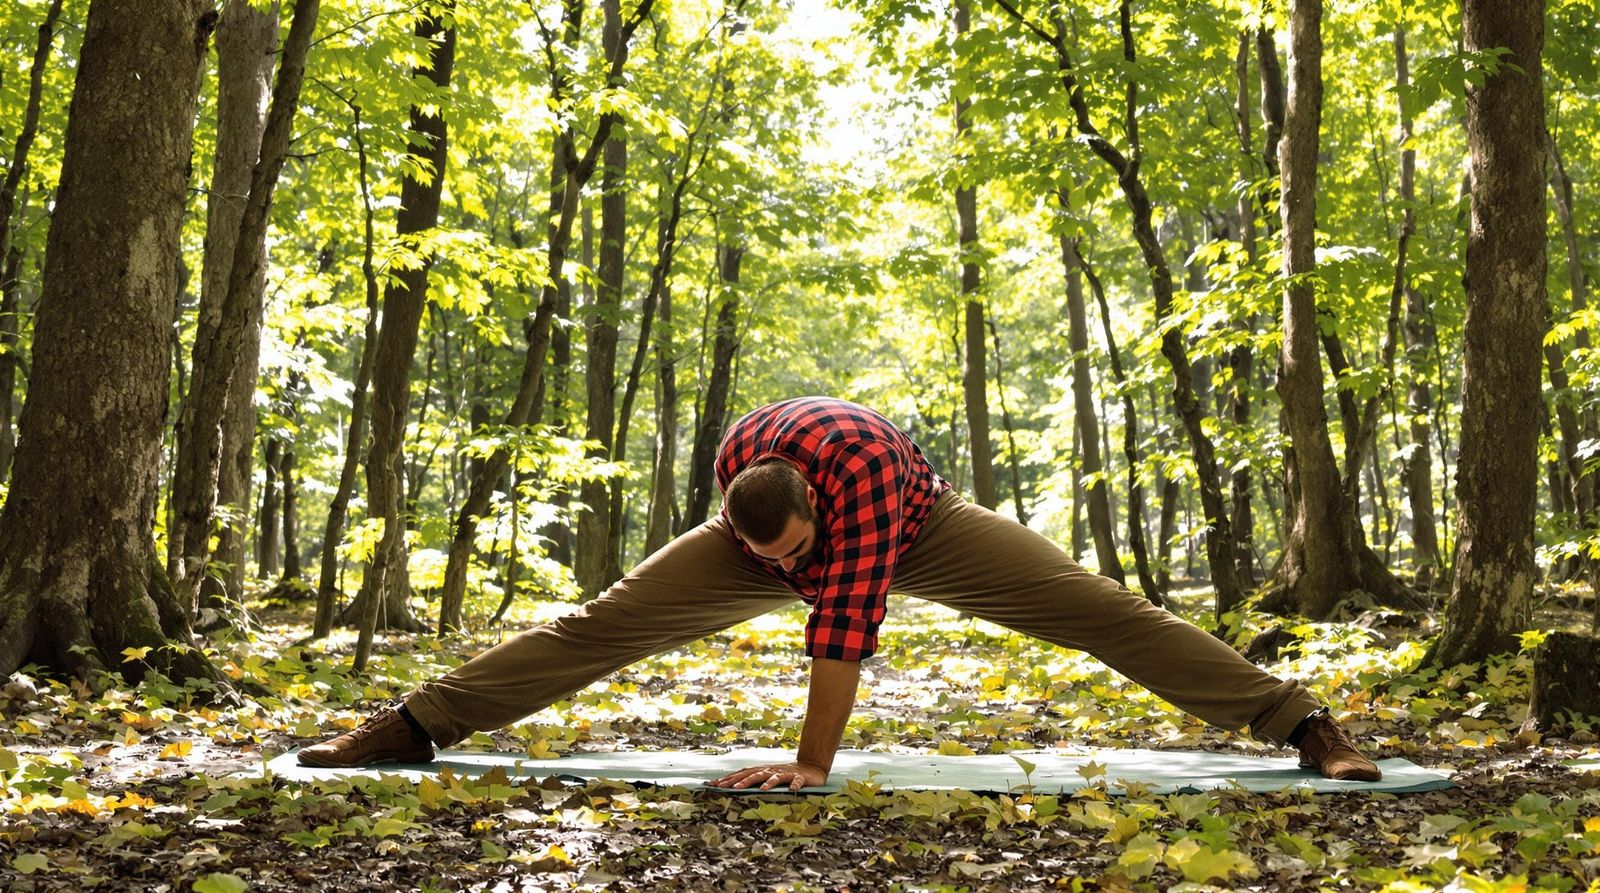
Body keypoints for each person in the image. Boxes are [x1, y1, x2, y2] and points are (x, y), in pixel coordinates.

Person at [299, 396, 1381, 787]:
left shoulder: (852, 490)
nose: (781, 575)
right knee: (605, 620)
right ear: (737, 507)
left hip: (924, 528)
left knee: (1104, 610)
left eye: (791, 554)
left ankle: (1302, 721)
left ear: (815, 507)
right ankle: (410, 724)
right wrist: (758, 552)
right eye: (764, 559)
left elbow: (840, 627)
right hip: (783, 515)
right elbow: (772, 554)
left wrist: (811, 762)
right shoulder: (744, 483)